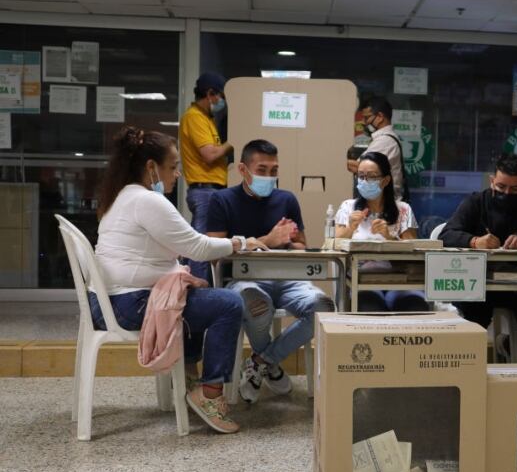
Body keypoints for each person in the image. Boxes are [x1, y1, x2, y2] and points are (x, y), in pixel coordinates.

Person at [91, 126, 264, 434]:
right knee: (228, 303)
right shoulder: (147, 201)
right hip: (129, 304)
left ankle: (189, 379)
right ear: (151, 168)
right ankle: (209, 394)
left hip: (107, 302)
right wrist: (241, 242)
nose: (177, 174)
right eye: (172, 167)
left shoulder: (120, 198)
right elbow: (197, 247)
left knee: (195, 293)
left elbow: (165, 250)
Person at [207, 139, 336, 404]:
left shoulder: (286, 199)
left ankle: (261, 361)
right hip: (244, 280)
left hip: (288, 278)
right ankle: (271, 365)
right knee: (258, 306)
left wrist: (290, 241)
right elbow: (214, 252)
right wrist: (268, 240)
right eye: (262, 170)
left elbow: (301, 245)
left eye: (274, 170)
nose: (269, 176)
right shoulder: (221, 200)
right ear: (243, 169)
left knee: (324, 307)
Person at [439, 153, 517, 363]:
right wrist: (475, 241)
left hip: (514, 284)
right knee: (474, 318)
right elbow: (446, 235)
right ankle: (465, 369)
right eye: (501, 187)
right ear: (492, 180)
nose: (506, 193)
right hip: (476, 283)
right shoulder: (475, 202)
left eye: (515, 189)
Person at [335, 151, 430, 312]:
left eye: (371, 177)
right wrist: (351, 227)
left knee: (415, 306)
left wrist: (390, 237)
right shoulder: (348, 207)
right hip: (362, 281)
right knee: (370, 308)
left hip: (399, 281)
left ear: (385, 180)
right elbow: (335, 245)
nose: (364, 181)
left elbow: (414, 251)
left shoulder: (403, 210)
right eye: (361, 176)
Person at [179, 71, 234, 280]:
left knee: (202, 245)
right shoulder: (194, 117)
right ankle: (197, 288)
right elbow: (210, 154)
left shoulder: (206, 118)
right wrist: (234, 141)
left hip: (211, 190)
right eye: (220, 96)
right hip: (205, 190)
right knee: (202, 248)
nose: (221, 102)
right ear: (210, 94)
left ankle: (196, 284)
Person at [348, 97, 408, 201]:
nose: (364, 122)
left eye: (367, 118)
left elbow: (360, 168)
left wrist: (340, 161)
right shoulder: (384, 138)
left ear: (380, 117)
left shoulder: (385, 141)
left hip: (385, 203)